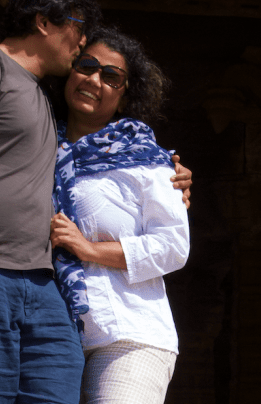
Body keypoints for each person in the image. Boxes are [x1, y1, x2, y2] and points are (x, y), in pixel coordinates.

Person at [0, 0, 191, 403]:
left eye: (111, 76)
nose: (82, 42)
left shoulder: (49, 110)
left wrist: (170, 174)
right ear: (43, 21)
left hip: (44, 288)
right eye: (78, 30)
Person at [48, 25, 190, 404]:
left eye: (111, 76)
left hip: (130, 334)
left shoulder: (149, 163)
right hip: (52, 334)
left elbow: (173, 245)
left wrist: (89, 250)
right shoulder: (37, 145)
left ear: (126, 95)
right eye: (87, 66)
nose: (94, 79)